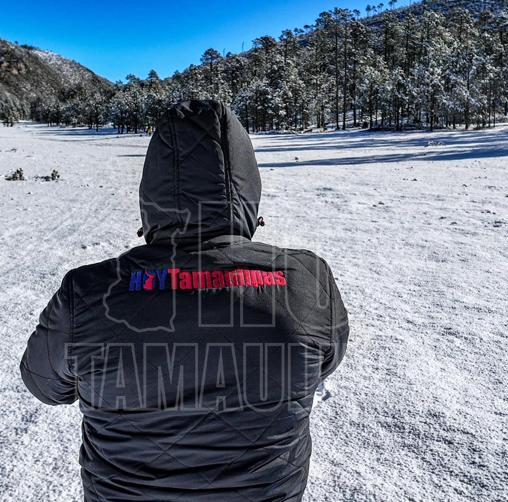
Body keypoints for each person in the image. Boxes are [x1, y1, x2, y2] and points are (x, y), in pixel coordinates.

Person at [20, 100, 349, 502]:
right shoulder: (306, 278)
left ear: (151, 192)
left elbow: (45, 385)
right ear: (248, 191)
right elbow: (322, 364)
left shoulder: (88, 291)